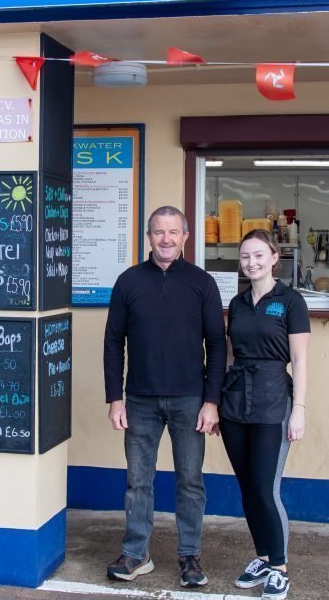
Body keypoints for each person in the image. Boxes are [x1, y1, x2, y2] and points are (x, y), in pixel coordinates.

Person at [103, 205, 227, 588]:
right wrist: (115, 397)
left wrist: (212, 401)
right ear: (149, 236)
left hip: (190, 400)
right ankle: (136, 554)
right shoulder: (128, 282)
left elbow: (218, 345)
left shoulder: (202, 283)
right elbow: (112, 342)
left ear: (185, 236)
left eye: (174, 232)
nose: (166, 239)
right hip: (139, 399)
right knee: (138, 481)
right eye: (159, 232)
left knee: (190, 481)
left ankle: (189, 556)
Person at [220, 229, 310, 600]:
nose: (251, 263)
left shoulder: (290, 301)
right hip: (236, 399)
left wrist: (299, 410)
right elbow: (228, 355)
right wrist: (217, 398)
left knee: (265, 488)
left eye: (259, 255)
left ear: (275, 257)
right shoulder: (238, 303)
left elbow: (301, 360)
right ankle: (262, 556)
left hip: (274, 399)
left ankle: (280, 567)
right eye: (245, 257)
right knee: (247, 488)